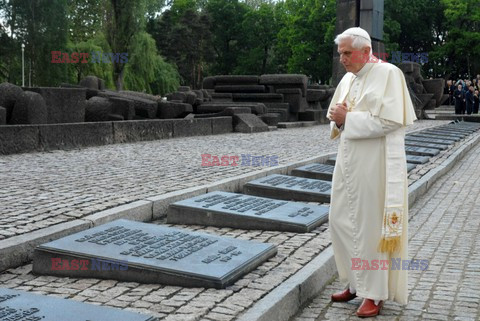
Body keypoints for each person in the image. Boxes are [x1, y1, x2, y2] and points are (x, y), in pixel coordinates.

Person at [327, 27, 416, 318]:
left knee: (370, 228)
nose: (342, 59)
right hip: (348, 162)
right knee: (339, 220)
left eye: (347, 53)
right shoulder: (347, 78)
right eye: (340, 53)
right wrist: (338, 121)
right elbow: (337, 119)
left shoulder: (389, 74)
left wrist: (348, 119)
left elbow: (392, 121)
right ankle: (354, 283)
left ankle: (374, 294)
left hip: (375, 164)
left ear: (366, 52)